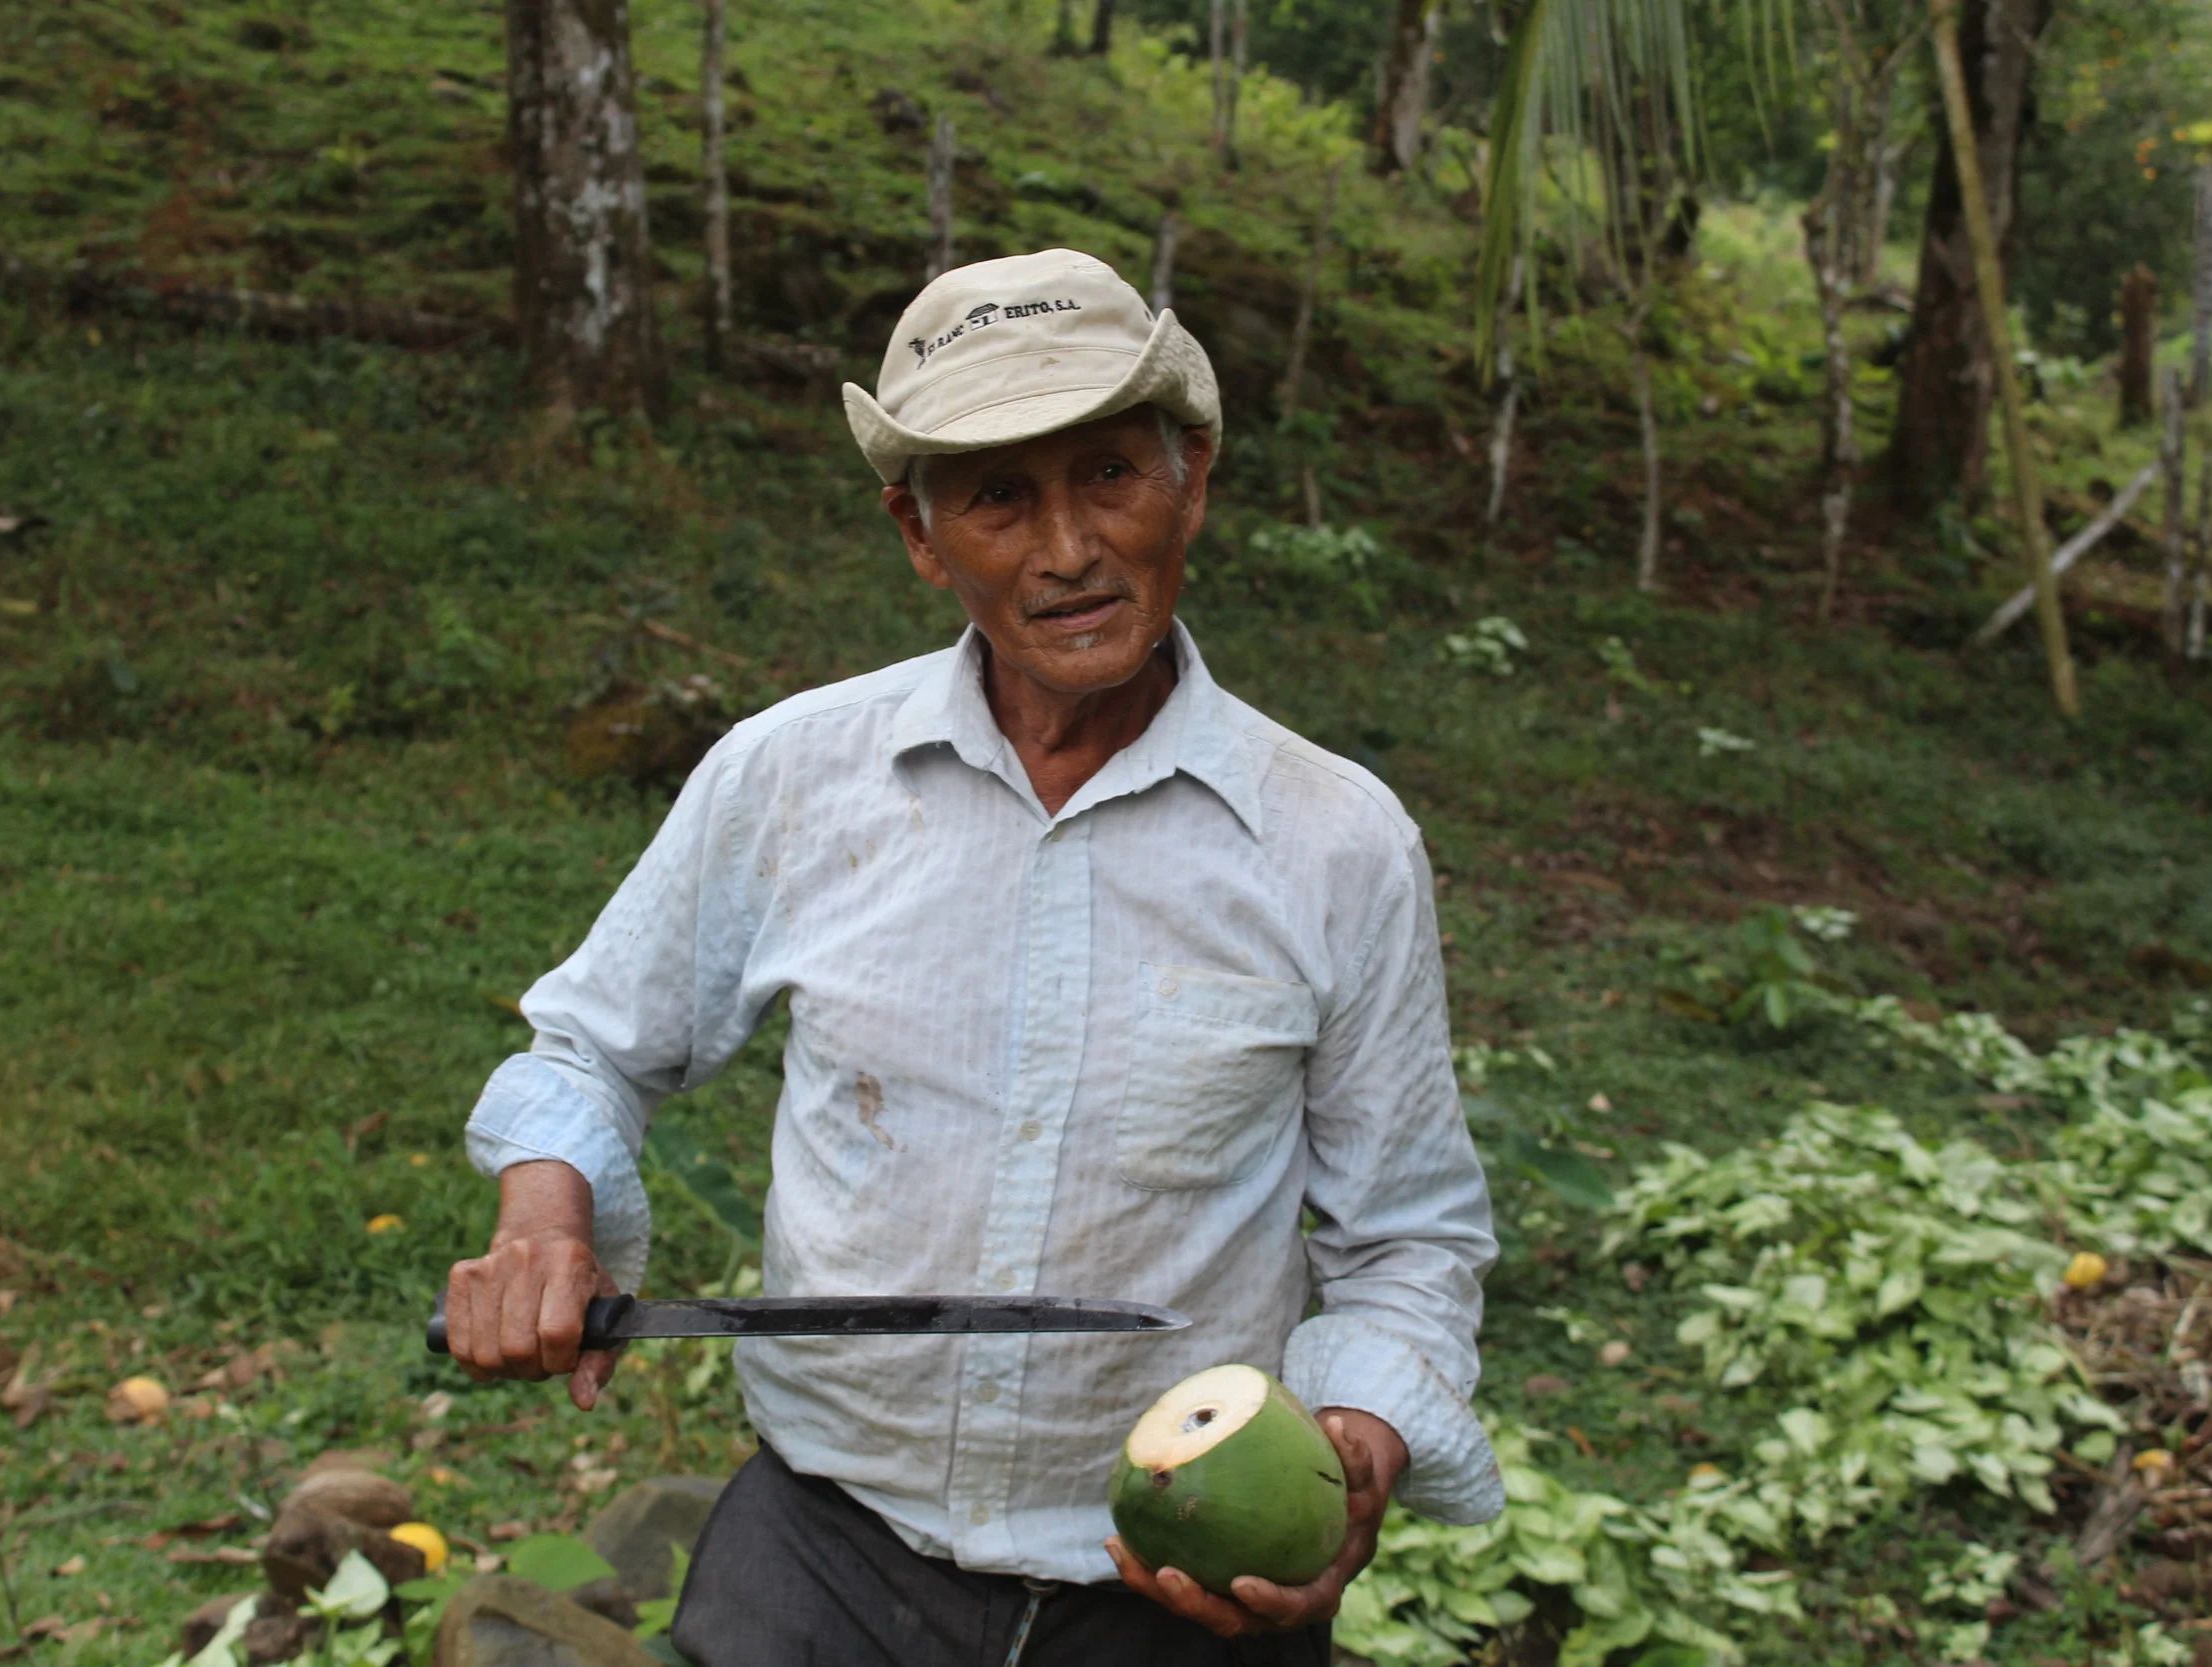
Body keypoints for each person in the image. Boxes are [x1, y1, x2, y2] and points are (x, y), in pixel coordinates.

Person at [441, 248, 1501, 1666]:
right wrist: (544, 1219)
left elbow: (1408, 1234)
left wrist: (1354, 1444)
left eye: (1112, 475)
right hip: (821, 1556)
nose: (1067, 549)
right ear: (921, 534)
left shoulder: (1335, 842)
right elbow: (589, 1048)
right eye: (1001, 496)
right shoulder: (795, 776)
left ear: (1194, 480)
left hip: (1179, 1593)